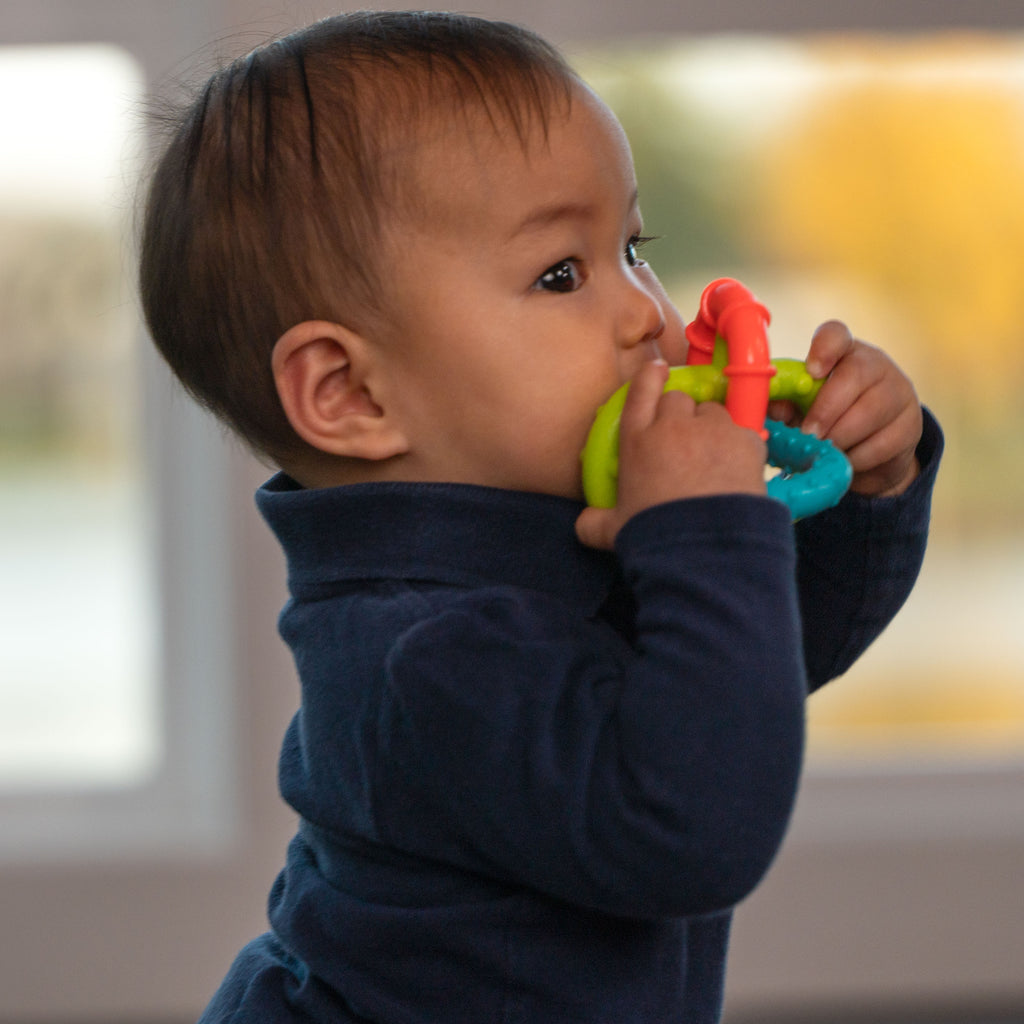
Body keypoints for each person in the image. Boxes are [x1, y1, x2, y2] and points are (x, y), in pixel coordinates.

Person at [138, 11, 942, 1023]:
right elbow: (692, 826)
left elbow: (747, 676)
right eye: (561, 273)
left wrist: (868, 488)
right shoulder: (424, 647)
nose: (648, 311)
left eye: (632, 247)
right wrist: (705, 536)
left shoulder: (534, 538)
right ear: (349, 392)